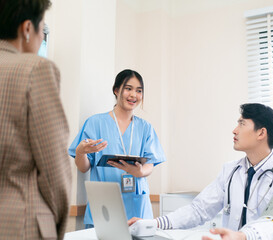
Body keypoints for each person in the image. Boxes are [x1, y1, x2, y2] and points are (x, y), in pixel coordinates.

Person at [129, 103, 273, 239]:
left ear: (261, 133)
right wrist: (154, 223)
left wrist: (243, 236)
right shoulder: (230, 170)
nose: (234, 130)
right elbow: (198, 210)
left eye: (242, 124)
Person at [0, 0, 72, 239]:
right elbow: (55, 170)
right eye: (43, 30)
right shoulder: (35, 69)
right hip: (20, 222)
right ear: (27, 28)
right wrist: (56, 225)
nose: (42, 37)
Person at [68, 69, 166, 228]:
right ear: (116, 90)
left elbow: (151, 164)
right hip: (105, 205)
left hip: (137, 208)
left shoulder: (145, 128)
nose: (134, 95)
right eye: (128, 89)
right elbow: (83, 167)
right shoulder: (95, 123)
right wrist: (80, 152)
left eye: (139, 90)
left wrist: (140, 172)